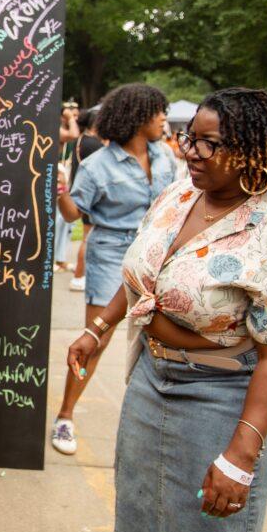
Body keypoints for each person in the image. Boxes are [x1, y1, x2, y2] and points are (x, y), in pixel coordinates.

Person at [67, 87, 267, 532]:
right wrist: (98, 327)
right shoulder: (178, 197)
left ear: (250, 151)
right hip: (150, 378)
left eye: (209, 143)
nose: (191, 153)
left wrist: (242, 455)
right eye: (189, 138)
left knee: (205, 527)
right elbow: (146, 274)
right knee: (138, 515)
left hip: (219, 395)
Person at [52, 83, 175, 454]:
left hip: (160, 253)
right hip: (112, 253)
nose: (164, 118)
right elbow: (75, 213)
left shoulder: (166, 158)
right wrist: (60, 191)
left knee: (161, 338)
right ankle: (65, 417)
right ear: (138, 117)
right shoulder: (96, 166)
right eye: (158, 112)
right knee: (97, 338)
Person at [68, 106, 103, 292]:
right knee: (87, 239)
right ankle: (78, 276)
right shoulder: (95, 145)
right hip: (90, 197)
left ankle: (79, 274)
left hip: (79, 191)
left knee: (85, 237)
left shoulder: (82, 140)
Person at [54, 101, 81, 271]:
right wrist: (70, 118)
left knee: (63, 222)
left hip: (62, 175)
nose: (73, 116)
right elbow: (73, 134)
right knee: (60, 220)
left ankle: (59, 258)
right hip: (56, 176)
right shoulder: (53, 127)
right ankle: (58, 258)